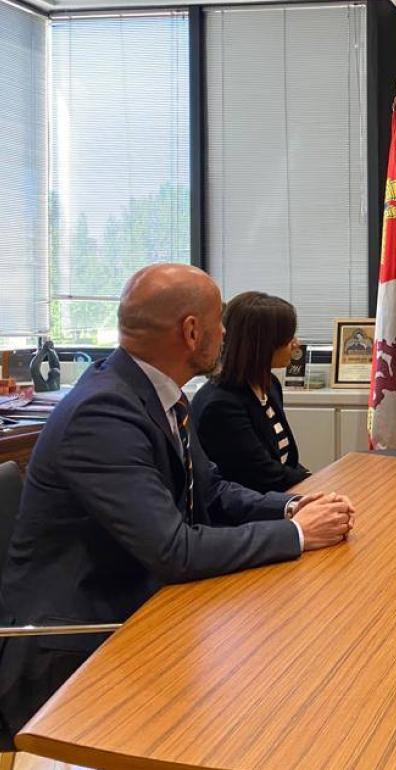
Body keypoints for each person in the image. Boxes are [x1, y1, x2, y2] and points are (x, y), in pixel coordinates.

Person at [0, 264, 356, 748]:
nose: (226, 333)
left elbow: (211, 490)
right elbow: (174, 550)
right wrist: (297, 536)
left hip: (148, 611)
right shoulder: (102, 414)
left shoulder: (151, 394)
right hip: (80, 648)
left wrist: (288, 510)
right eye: (218, 321)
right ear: (191, 331)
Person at [192, 291, 311, 493]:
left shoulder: (270, 384)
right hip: (245, 510)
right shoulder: (221, 405)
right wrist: (316, 484)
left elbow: (286, 462)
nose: (296, 343)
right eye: (288, 337)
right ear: (263, 344)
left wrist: (313, 479)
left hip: (277, 497)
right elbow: (262, 475)